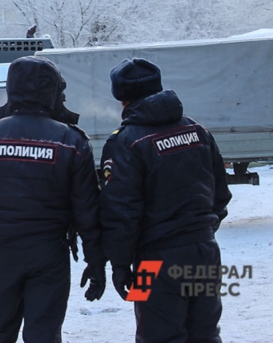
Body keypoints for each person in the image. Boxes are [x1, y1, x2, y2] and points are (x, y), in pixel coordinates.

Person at [0, 56, 105, 343]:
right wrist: (96, 263)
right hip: (50, 254)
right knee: (44, 335)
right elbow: (88, 211)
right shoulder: (71, 142)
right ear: (53, 92)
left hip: (2, 253)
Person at [100, 58, 232, 343]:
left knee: (155, 335)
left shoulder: (125, 142)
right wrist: (198, 231)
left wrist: (120, 266)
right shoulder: (198, 131)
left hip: (152, 259)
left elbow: (122, 213)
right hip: (204, 251)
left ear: (122, 99)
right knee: (206, 334)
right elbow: (221, 195)